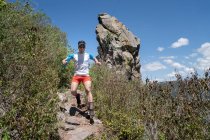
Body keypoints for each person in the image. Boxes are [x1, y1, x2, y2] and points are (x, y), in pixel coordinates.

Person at [62, 40, 101, 124]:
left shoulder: (88, 55)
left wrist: (97, 61)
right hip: (77, 76)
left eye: (83, 46)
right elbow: (66, 59)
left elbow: (94, 58)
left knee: (88, 89)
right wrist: (64, 61)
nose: (82, 48)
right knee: (72, 91)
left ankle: (91, 110)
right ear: (78, 47)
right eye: (80, 46)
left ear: (85, 47)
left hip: (86, 76)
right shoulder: (74, 55)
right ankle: (78, 96)